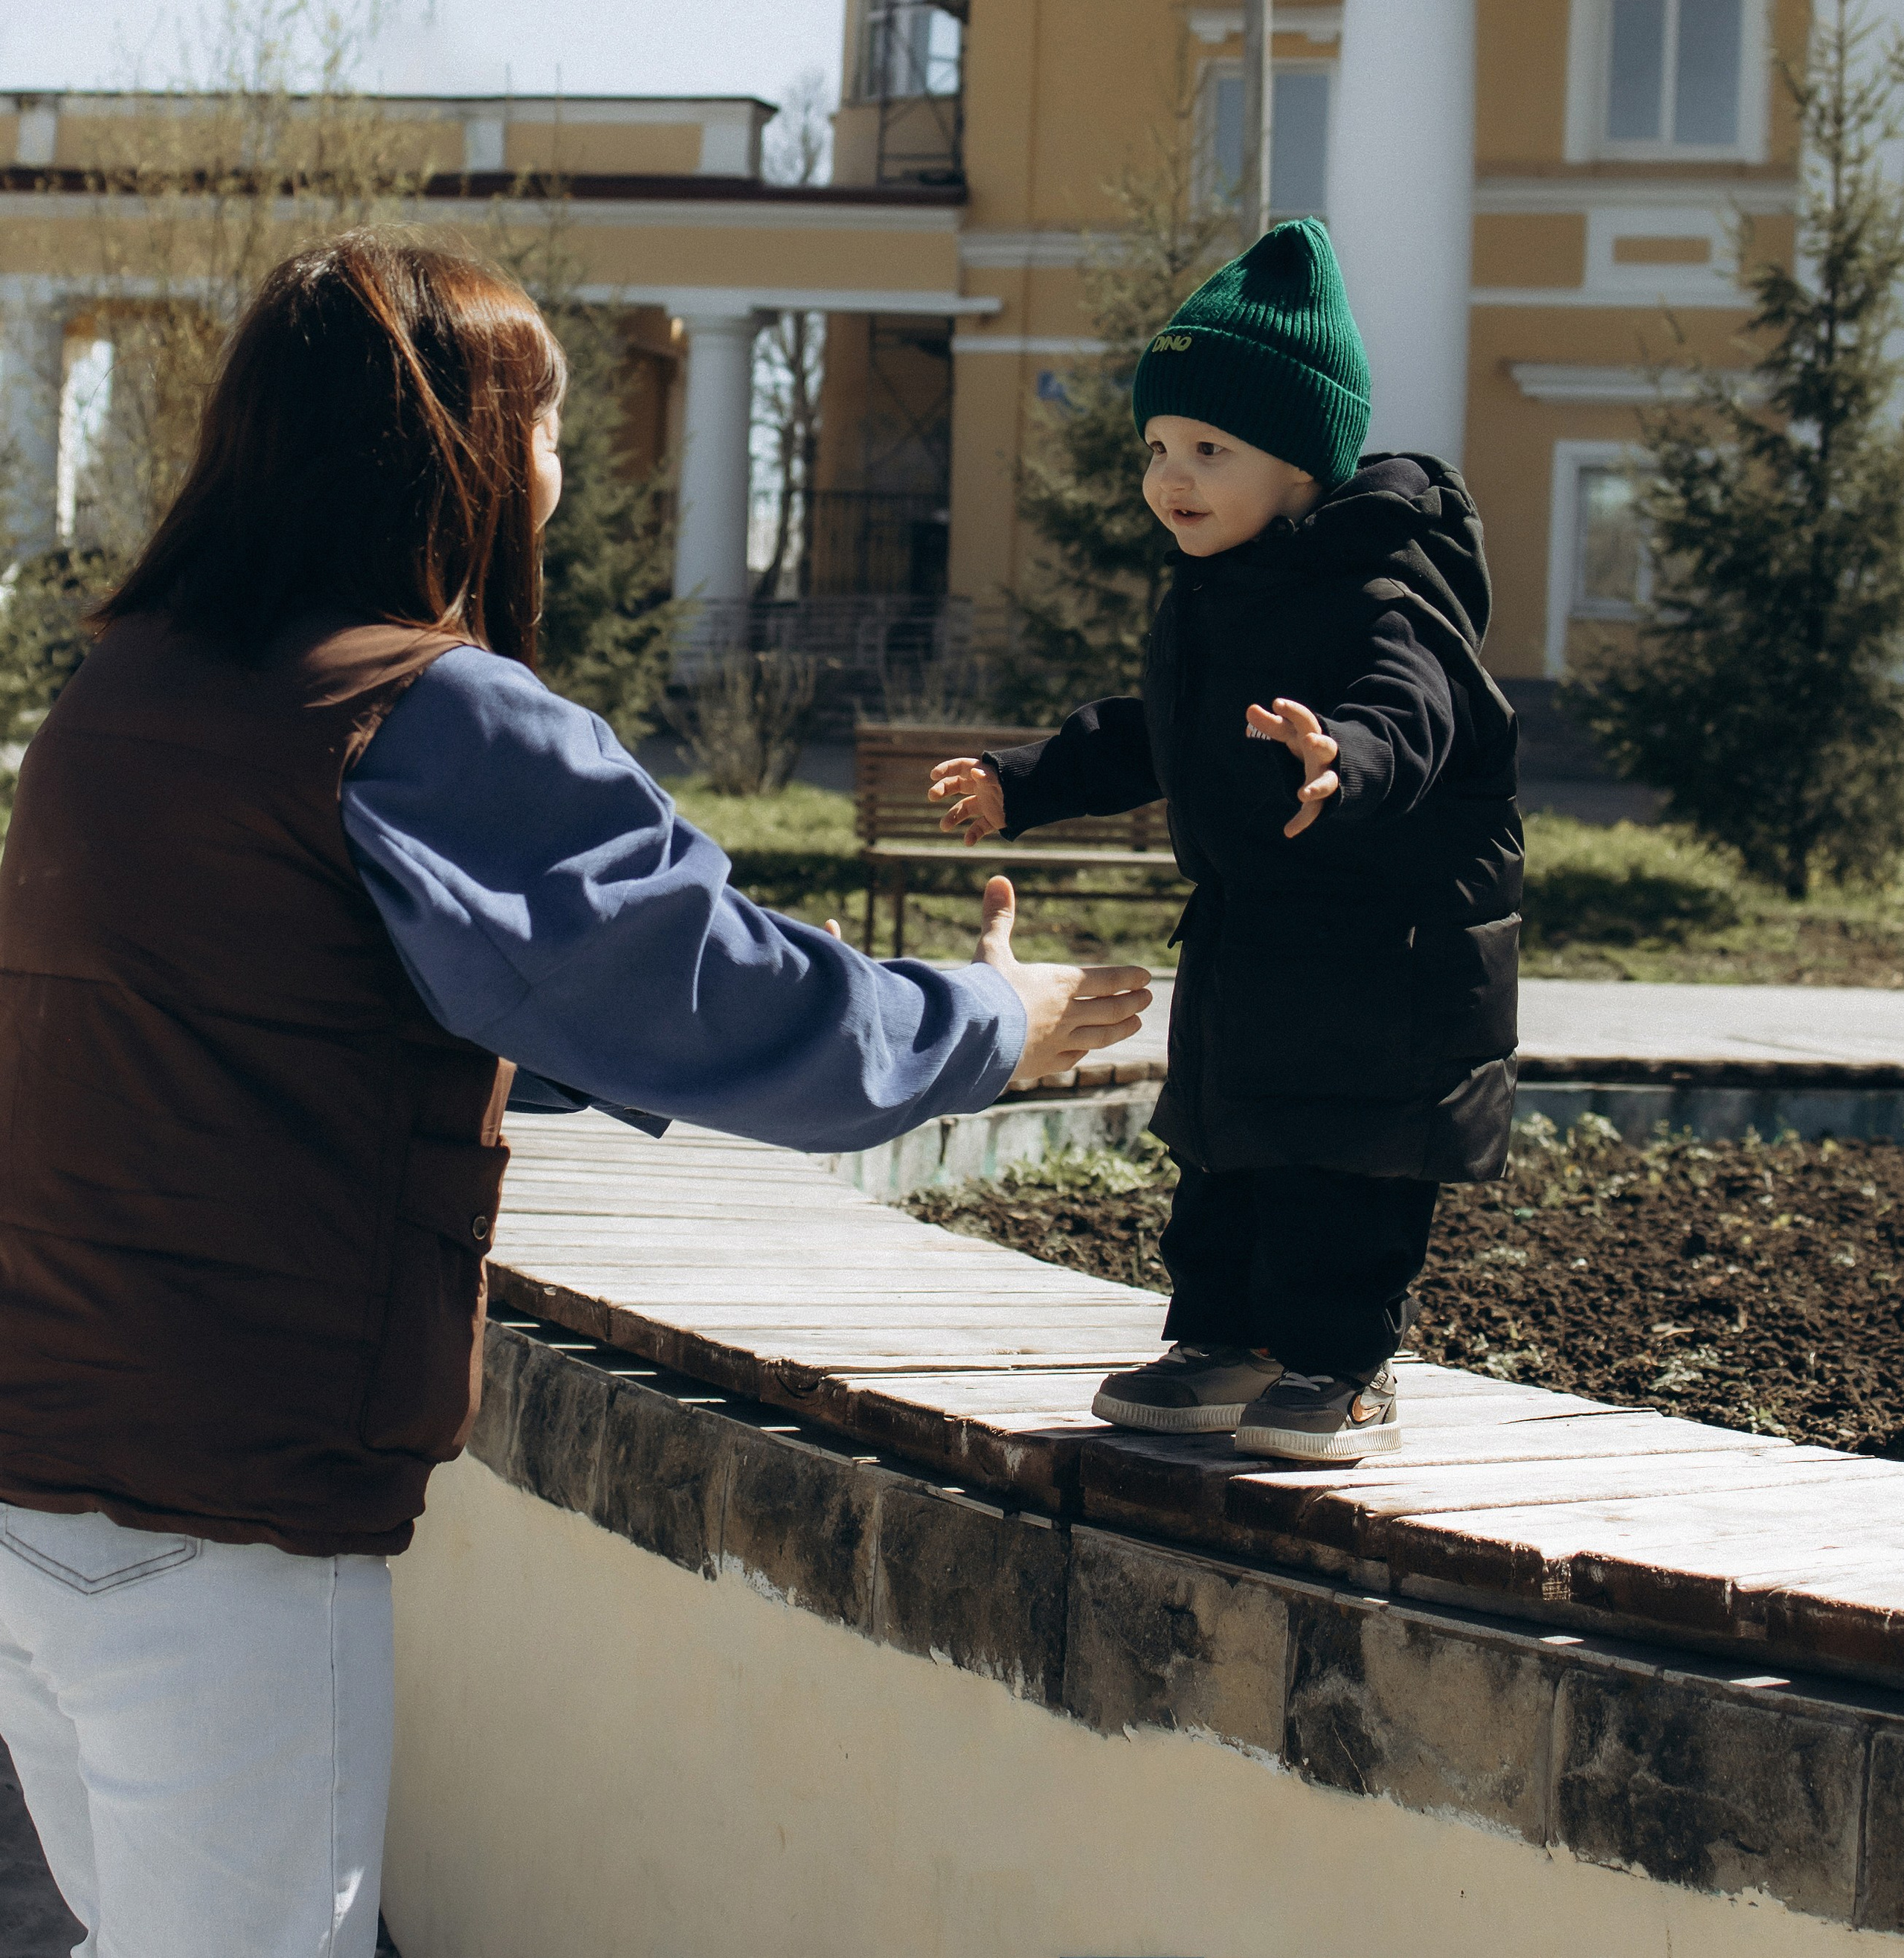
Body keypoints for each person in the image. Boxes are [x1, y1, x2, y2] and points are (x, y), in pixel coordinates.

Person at [0, 232, 1147, 1958]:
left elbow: (306, 1012)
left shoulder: (131, 689)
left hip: (38, 1473)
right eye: (532, 424)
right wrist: (990, 1019)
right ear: (442, 452)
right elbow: (715, 1000)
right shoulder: (425, 717)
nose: (555, 467)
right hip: (219, 1508)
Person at [930, 219, 1520, 1465]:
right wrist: (1022, 780)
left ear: (1302, 462)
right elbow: (1157, 731)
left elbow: (1414, 710)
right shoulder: (1217, 590)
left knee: (1346, 1162)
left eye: (1208, 447)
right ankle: (1220, 1337)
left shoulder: (1381, 589)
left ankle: (1344, 1366)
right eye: (1156, 447)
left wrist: (1340, 760)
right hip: (1261, 928)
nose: (1170, 477)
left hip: (1386, 944)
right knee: (1226, 1146)